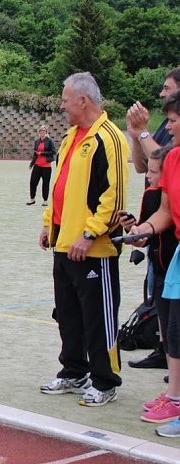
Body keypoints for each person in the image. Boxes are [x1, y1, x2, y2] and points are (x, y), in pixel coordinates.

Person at [37, 72, 128, 408]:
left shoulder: (110, 138)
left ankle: (105, 381)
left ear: (83, 100)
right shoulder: (69, 137)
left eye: (64, 99)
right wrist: (49, 224)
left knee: (98, 317)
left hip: (94, 248)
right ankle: (74, 371)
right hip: (63, 245)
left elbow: (113, 196)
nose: (61, 106)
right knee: (68, 315)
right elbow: (60, 186)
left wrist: (90, 233)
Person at [129, 92, 180, 433]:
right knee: (174, 330)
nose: (169, 127)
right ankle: (175, 400)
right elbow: (164, 212)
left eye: (174, 120)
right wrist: (141, 230)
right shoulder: (173, 158)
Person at [124, 66, 179, 370]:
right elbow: (144, 165)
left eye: (167, 87)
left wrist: (143, 131)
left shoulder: (168, 131)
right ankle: (164, 352)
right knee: (159, 292)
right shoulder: (165, 126)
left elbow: (162, 157)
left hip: (170, 228)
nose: (161, 92)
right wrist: (135, 135)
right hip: (159, 218)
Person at [27, 125, 55, 206]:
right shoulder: (36, 141)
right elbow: (35, 154)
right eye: (41, 131)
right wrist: (31, 164)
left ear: (46, 132)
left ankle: (45, 201)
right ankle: (32, 199)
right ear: (39, 132)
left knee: (45, 183)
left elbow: (53, 152)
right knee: (33, 182)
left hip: (46, 166)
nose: (42, 132)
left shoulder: (50, 141)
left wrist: (42, 153)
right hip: (37, 165)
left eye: (44, 131)